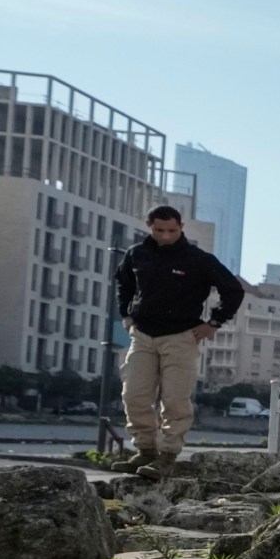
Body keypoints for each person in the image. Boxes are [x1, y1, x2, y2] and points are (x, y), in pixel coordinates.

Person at [112, 205, 244, 479]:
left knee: (175, 399)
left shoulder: (198, 259)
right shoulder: (137, 254)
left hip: (181, 337)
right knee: (133, 395)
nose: (166, 236)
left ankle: (168, 455)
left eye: (172, 230)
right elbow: (123, 284)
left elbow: (233, 290)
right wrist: (125, 314)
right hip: (143, 336)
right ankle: (145, 451)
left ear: (181, 227)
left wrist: (214, 323)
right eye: (159, 230)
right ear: (149, 225)